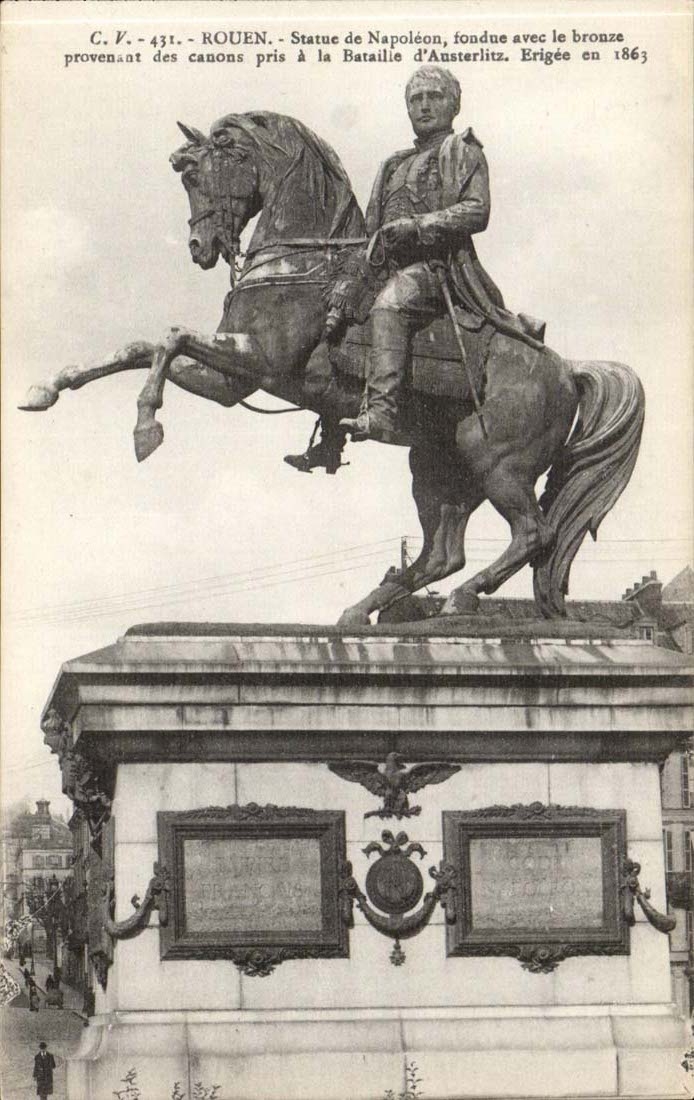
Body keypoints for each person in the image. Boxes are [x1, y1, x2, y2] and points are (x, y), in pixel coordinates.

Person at [340, 64, 544, 445]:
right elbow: (371, 226)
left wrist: (417, 226)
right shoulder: (393, 164)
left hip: (437, 268)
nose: (424, 106)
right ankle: (330, 436)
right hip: (386, 266)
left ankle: (381, 412)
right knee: (334, 307)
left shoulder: (462, 149)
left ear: (454, 105)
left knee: (390, 305)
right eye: (415, 99)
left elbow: (477, 210)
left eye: (434, 97)